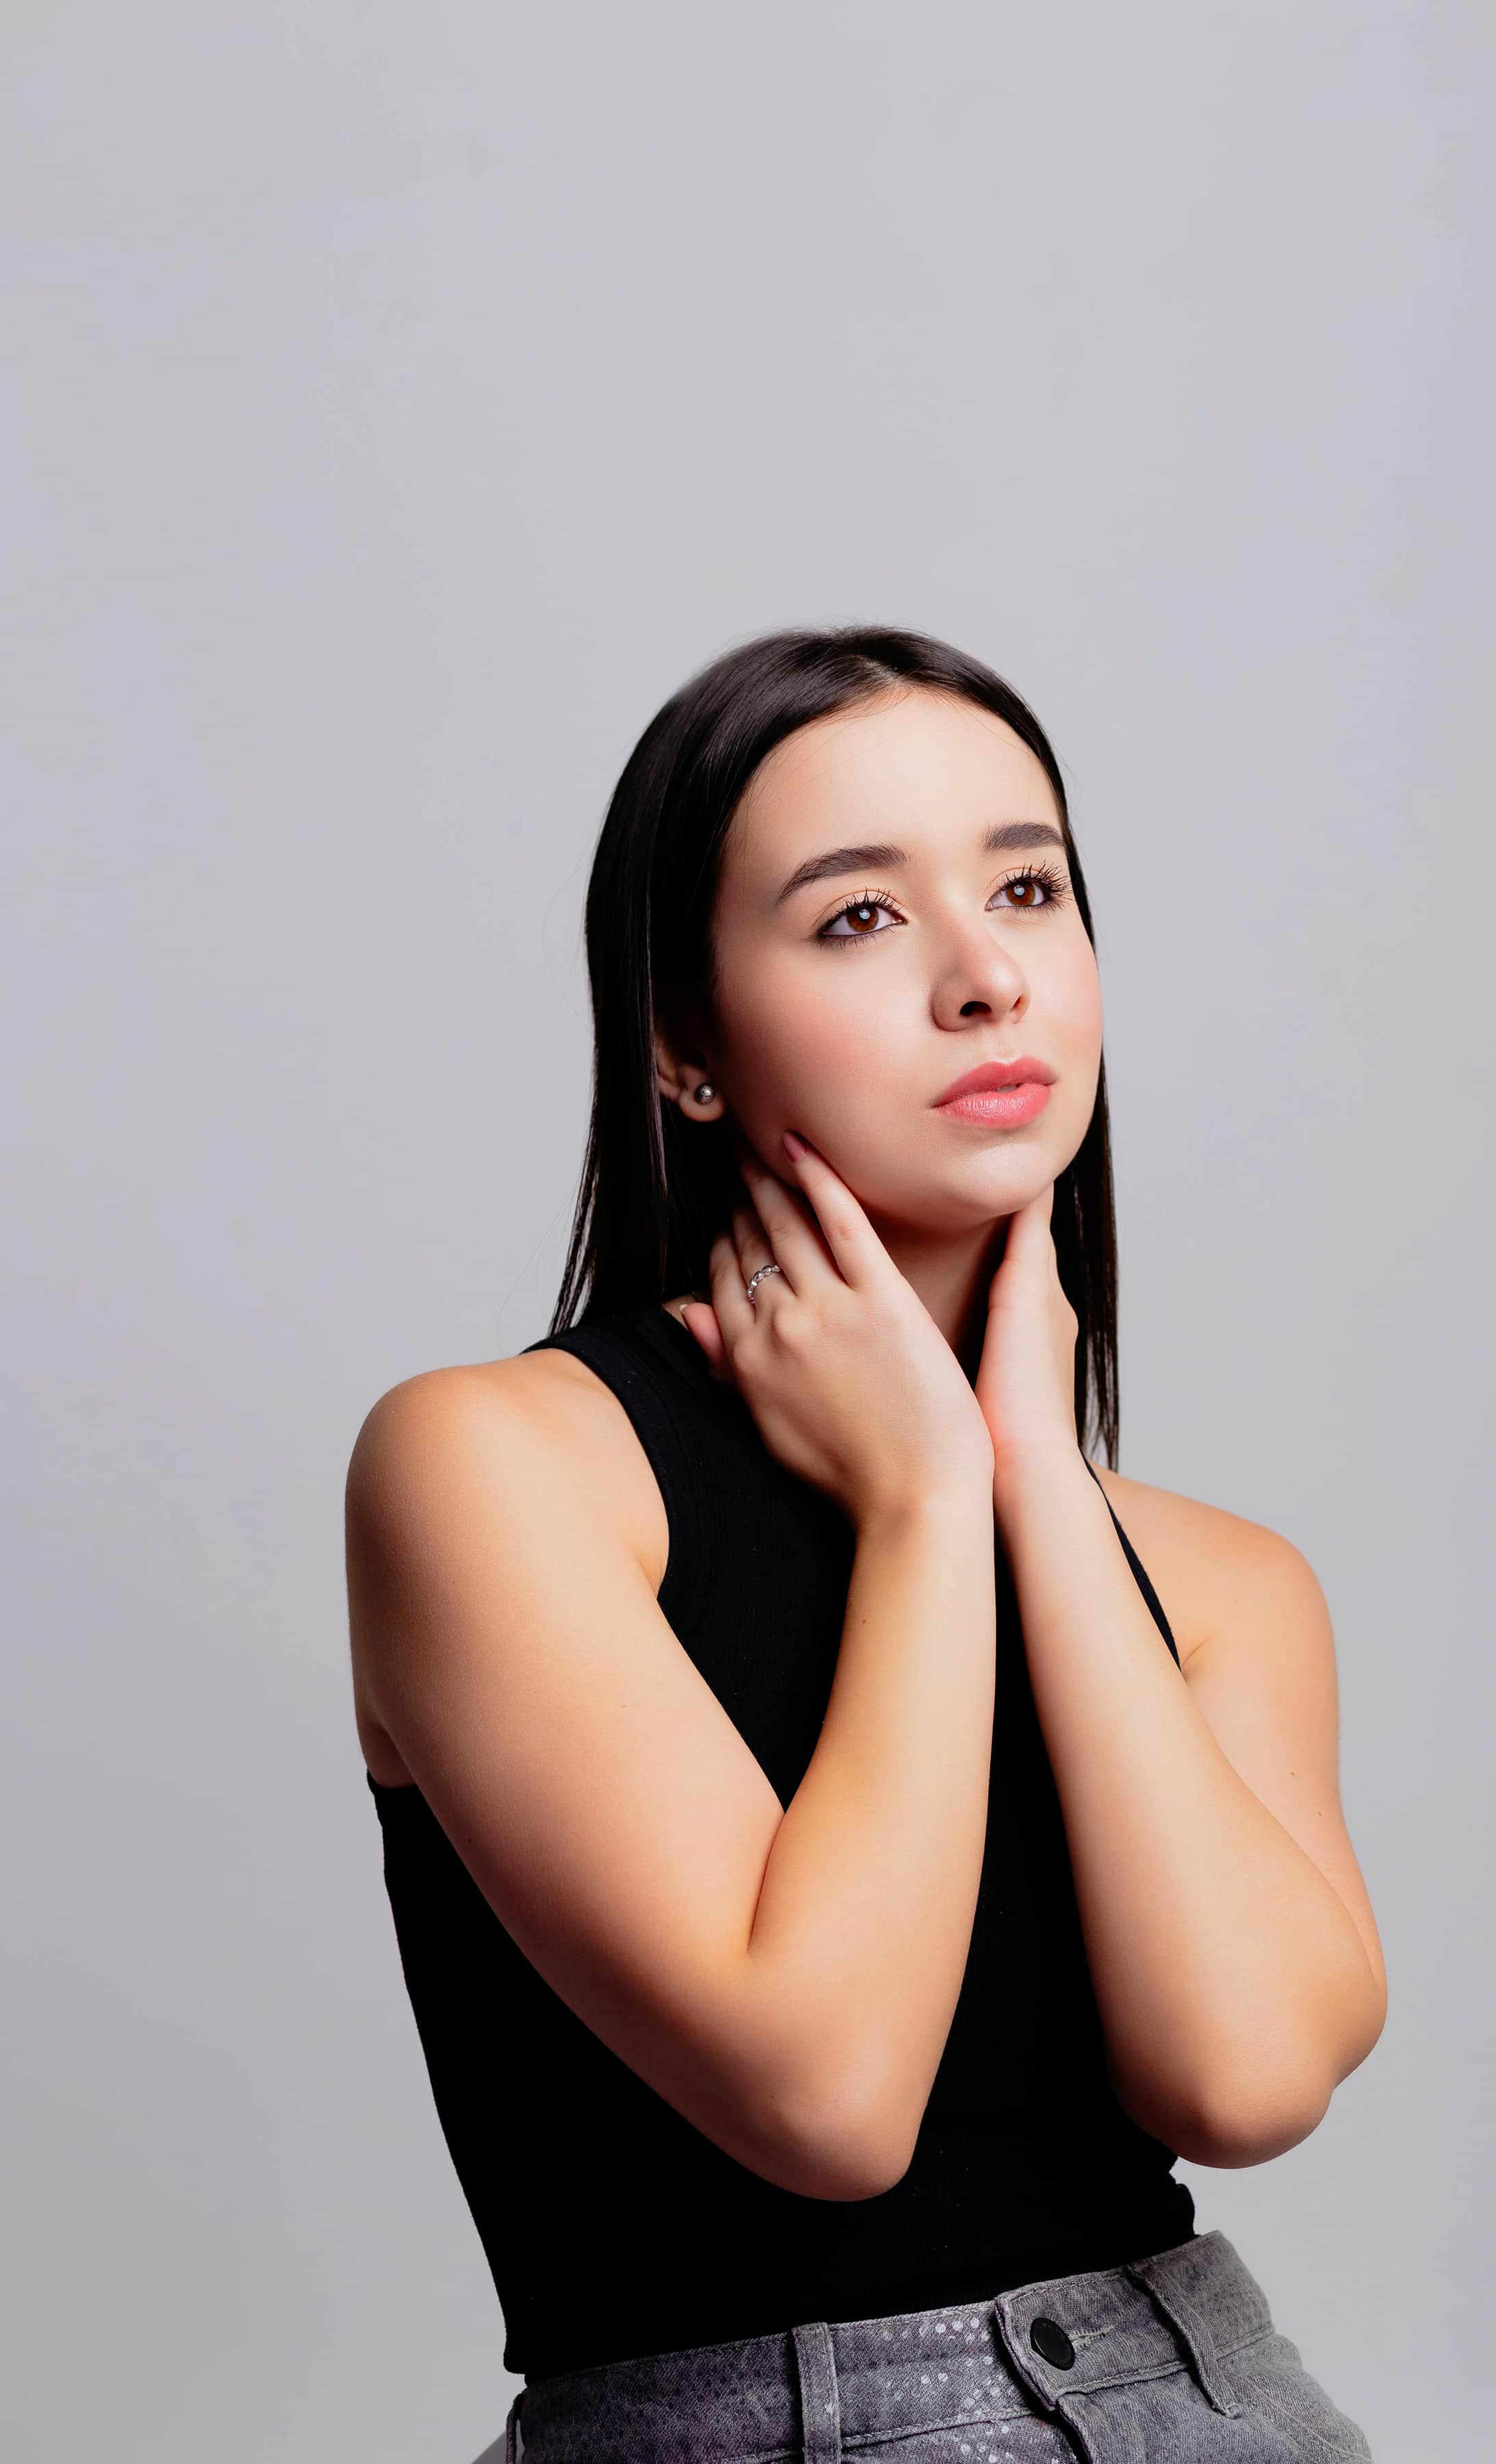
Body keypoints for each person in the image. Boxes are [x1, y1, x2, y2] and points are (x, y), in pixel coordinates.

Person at [346, 626, 1387, 2463]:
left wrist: (1027, 1475)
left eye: (1028, 889)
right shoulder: (497, 1467)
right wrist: (919, 1504)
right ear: (682, 1043)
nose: (986, 979)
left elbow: (1241, 2079)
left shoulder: (1228, 1585)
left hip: (1215, 2404)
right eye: (860, 917)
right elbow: (823, 2095)